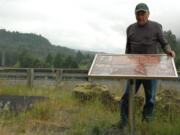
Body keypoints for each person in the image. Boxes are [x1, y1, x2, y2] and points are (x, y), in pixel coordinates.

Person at [118, 3, 175, 128]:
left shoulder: (156, 27)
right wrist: (125, 66)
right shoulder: (130, 28)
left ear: (148, 14)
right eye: (138, 13)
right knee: (127, 97)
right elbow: (128, 49)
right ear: (135, 15)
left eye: (143, 13)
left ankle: (146, 122)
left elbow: (164, 43)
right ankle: (123, 121)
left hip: (152, 70)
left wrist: (169, 51)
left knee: (150, 98)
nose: (140, 16)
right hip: (134, 70)